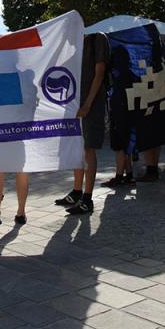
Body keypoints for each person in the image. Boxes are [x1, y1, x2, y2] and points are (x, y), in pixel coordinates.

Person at [54, 32, 110, 215]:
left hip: (90, 104)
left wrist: (87, 104)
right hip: (75, 104)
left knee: (89, 148)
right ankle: (77, 191)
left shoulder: (97, 39)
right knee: (77, 147)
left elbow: (99, 74)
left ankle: (87, 198)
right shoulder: (72, 45)